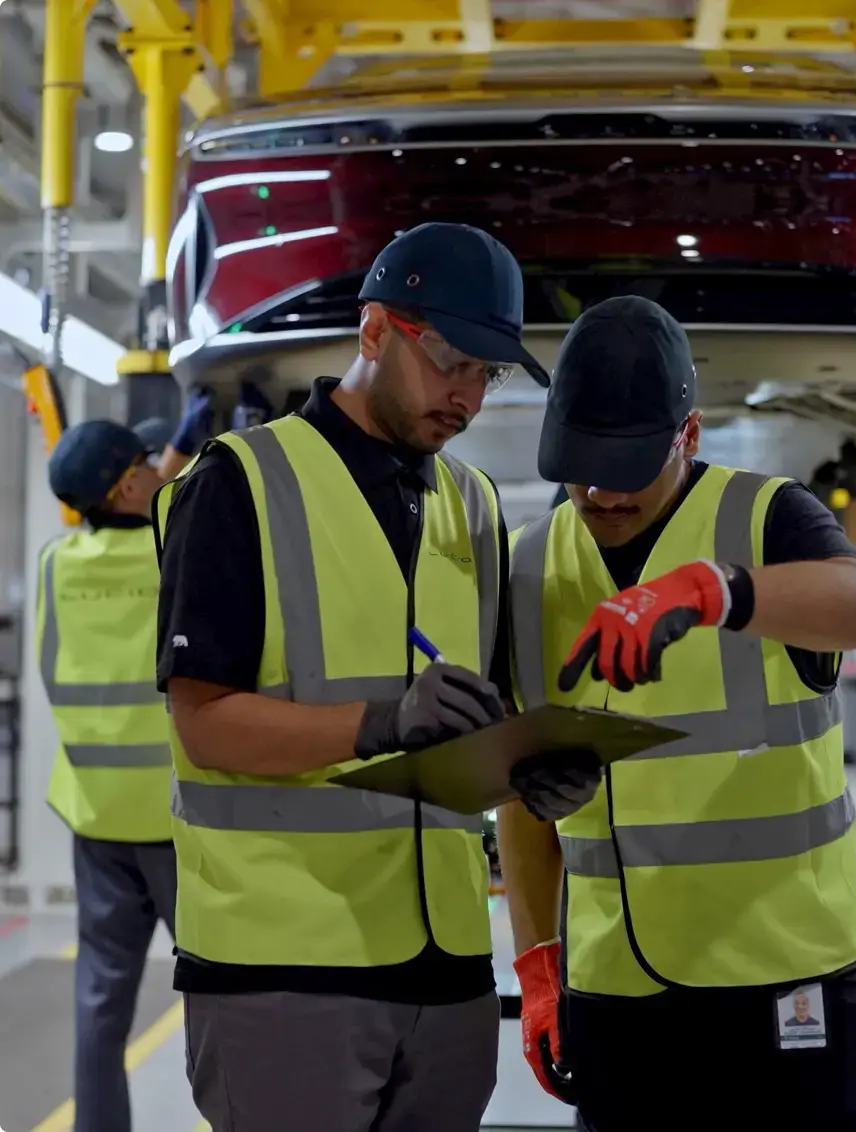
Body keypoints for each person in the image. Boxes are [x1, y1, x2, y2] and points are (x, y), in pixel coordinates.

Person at [152, 222, 599, 1132]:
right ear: (374, 332)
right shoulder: (241, 483)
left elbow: (474, 712)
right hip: (284, 969)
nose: (467, 396)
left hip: (443, 970)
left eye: (488, 374)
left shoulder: (469, 503)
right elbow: (203, 723)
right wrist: (381, 722)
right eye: (448, 361)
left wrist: (529, 772)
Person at [498, 295, 856, 1131]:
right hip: (617, 993)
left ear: (690, 435)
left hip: (788, 979)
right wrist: (538, 964)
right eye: (581, 464)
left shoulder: (765, 518)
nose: (602, 491)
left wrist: (715, 590)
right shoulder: (532, 564)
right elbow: (523, 791)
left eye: (629, 463)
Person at [37, 397, 212, 1132]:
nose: (155, 470)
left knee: (100, 997)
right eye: (143, 466)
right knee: (217, 991)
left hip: (97, 813)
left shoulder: (57, 563)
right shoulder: (169, 548)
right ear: (124, 489)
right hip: (176, 819)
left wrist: (173, 449)